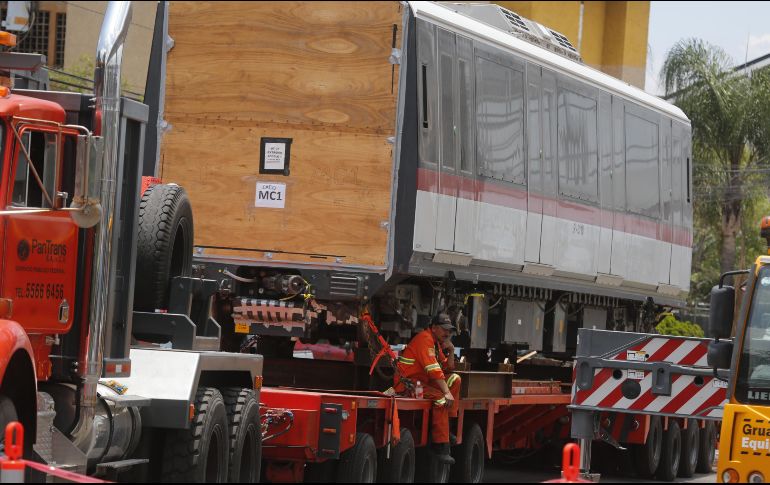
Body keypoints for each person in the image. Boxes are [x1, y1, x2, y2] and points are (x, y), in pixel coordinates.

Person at [391, 312, 462, 464]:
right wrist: (446, 392)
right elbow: (433, 369)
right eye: (444, 329)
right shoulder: (425, 339)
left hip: (423, 382)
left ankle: (446, 429)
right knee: (442, 399)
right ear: (434, 328)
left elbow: (448, 368)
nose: (448, 333)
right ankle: (439, 445)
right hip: (408, 384)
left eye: (449, 330)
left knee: (455, 379)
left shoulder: (435, 343)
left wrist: (450, 350)